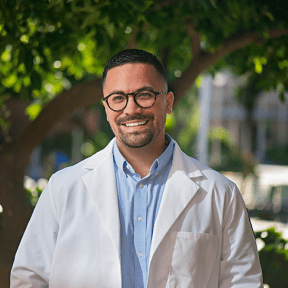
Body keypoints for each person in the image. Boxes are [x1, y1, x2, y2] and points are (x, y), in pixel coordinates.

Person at [10, 49, 263, 288]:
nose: (131, 109)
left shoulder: (220, 193)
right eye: (118, 98)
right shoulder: (62, 188)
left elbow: (243, 282)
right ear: (106, 108)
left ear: (168, 102)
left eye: (144, 95)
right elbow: (29, 278)